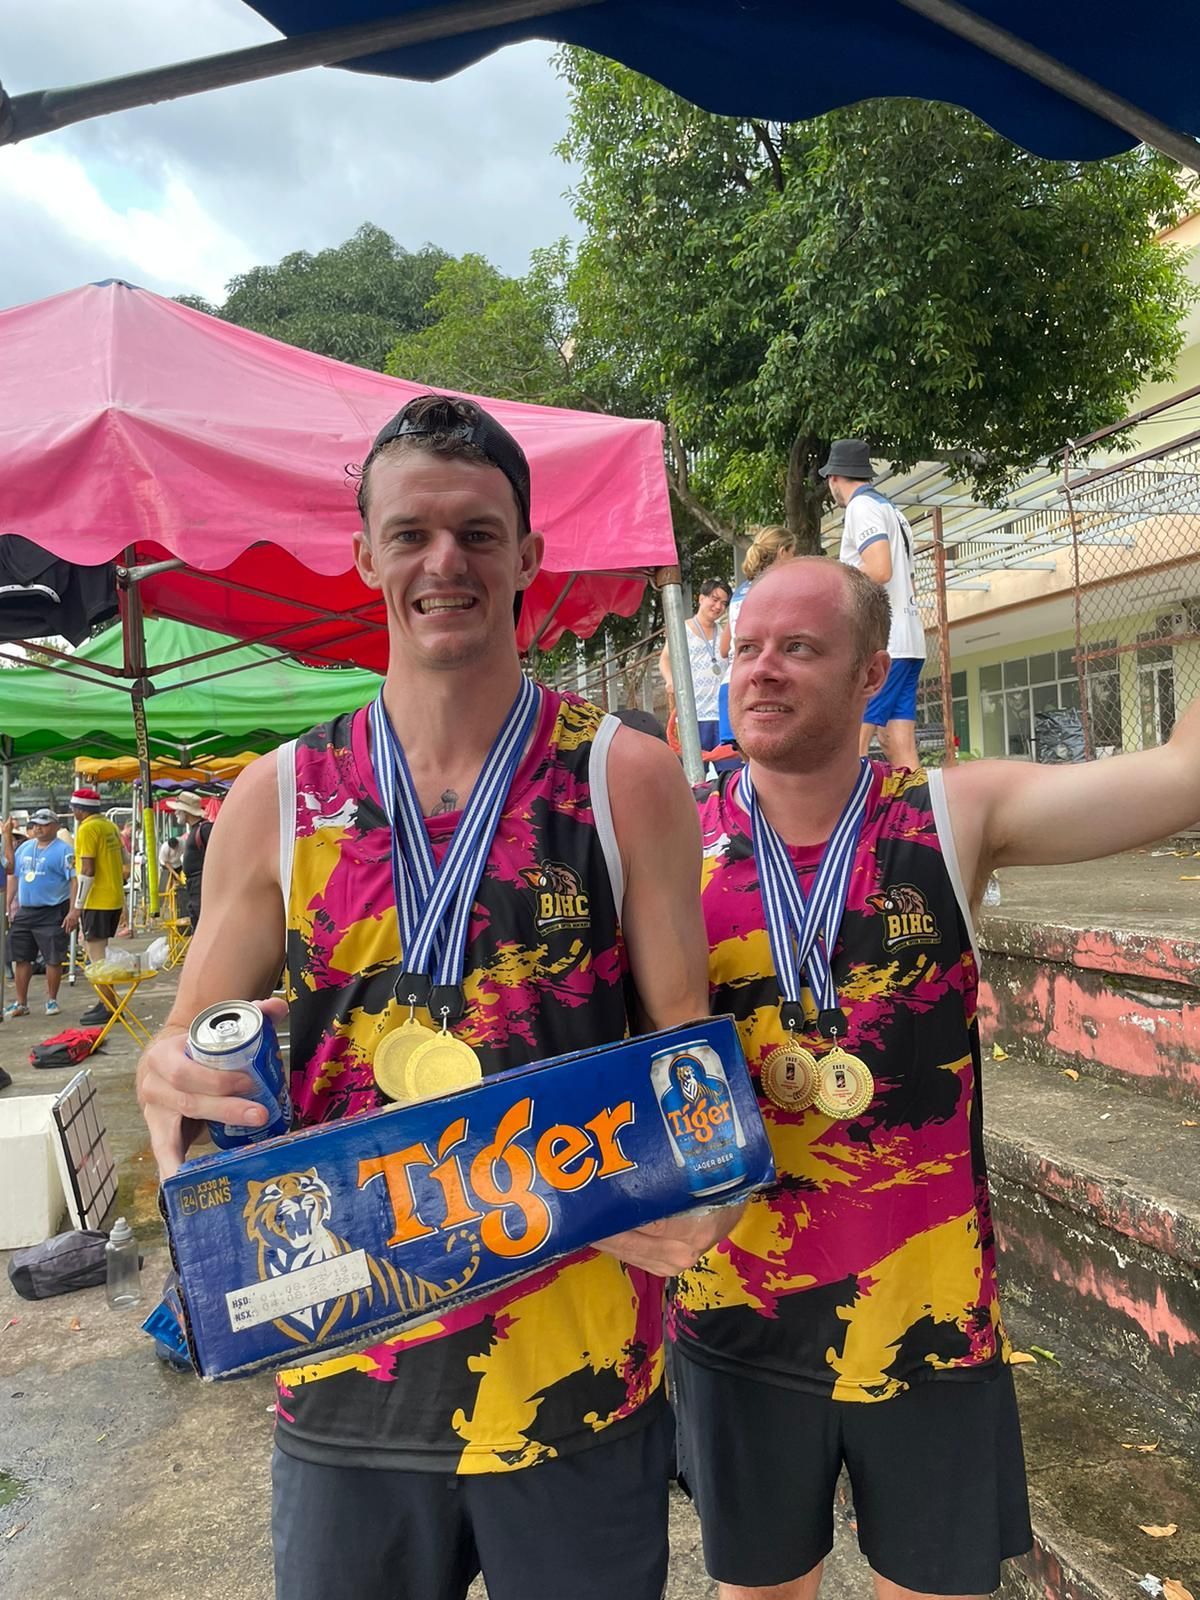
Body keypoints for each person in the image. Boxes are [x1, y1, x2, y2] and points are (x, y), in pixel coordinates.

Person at [136, 392, 737, 1600]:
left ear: (529, 554)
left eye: (477, 531)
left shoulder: (624, 777)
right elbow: (189, 1060)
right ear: (363, 556)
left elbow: (684, 1048)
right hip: (345, 1374)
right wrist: (164, 1076)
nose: (444, 561)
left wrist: (711, 1185)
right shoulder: (278, 797)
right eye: (410, 533)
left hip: (580, 1379)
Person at [671, 554, 1200, 1600]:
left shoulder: (955, 814)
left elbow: (1182, 778)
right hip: (737, 1308)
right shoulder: (666, 835)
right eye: (746, 649)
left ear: (874, 673)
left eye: (799, 647)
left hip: (928, 1315)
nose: (762, 669)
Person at [823, 439, 925, 769]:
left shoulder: (861, 508)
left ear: (835, 478)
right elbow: (906, 578)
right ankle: (922, 818)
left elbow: (880, 569)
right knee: (899, 744)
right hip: (909, 640)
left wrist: (834, 578)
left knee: (853, 743)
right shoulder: (891, 510)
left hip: (884, 645)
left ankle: (856, 818)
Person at [717, 525, 796, 746]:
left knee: (748, 770)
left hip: (731, 684)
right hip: (761, 687)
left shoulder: (740, 592)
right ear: (782, 552)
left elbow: (724, 649)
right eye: (792, 554)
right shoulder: (778, 589)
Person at [64, 787, 127, 1025]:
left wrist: (76, 907)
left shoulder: (87, 828)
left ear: (80, 810)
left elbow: (87, 870)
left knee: (96, 954)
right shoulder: (109, 826)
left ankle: (110, 1006)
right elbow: (125, 859)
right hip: (112, 897)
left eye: (73, 808)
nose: (72, 812)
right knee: (94, 950)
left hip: (96, 900)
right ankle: (105, 1000)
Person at [5, 807, 74, 1018]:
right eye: (35, 824)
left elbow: (74, 880)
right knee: (21, 956)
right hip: (27, 910)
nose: (38, 828)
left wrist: (73, 910)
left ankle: (52, 1000)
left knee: (53, 957)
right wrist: (8, 903)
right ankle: (21, 1002)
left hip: (52, 909)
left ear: (55, 826)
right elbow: (13, 873)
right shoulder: (25, 847)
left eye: (43, 824)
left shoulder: (64, 850)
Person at [659, 577, 731, 760]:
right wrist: (670, 680)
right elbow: (665, 660)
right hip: (691, 715)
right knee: (693, 774)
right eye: (714, 599)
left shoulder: (724, 634)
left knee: (728, 770)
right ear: (701, 599)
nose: (718, 607)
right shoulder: (682, 630)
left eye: (723, 603)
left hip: (721, 714)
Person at [166, 793, 213, 932]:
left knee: (203, 927)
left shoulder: (204, 829)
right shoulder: (197, 830)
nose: (175, 813)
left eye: (178, 809)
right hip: (196, 887)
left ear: (186, 811)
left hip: (202, 887)